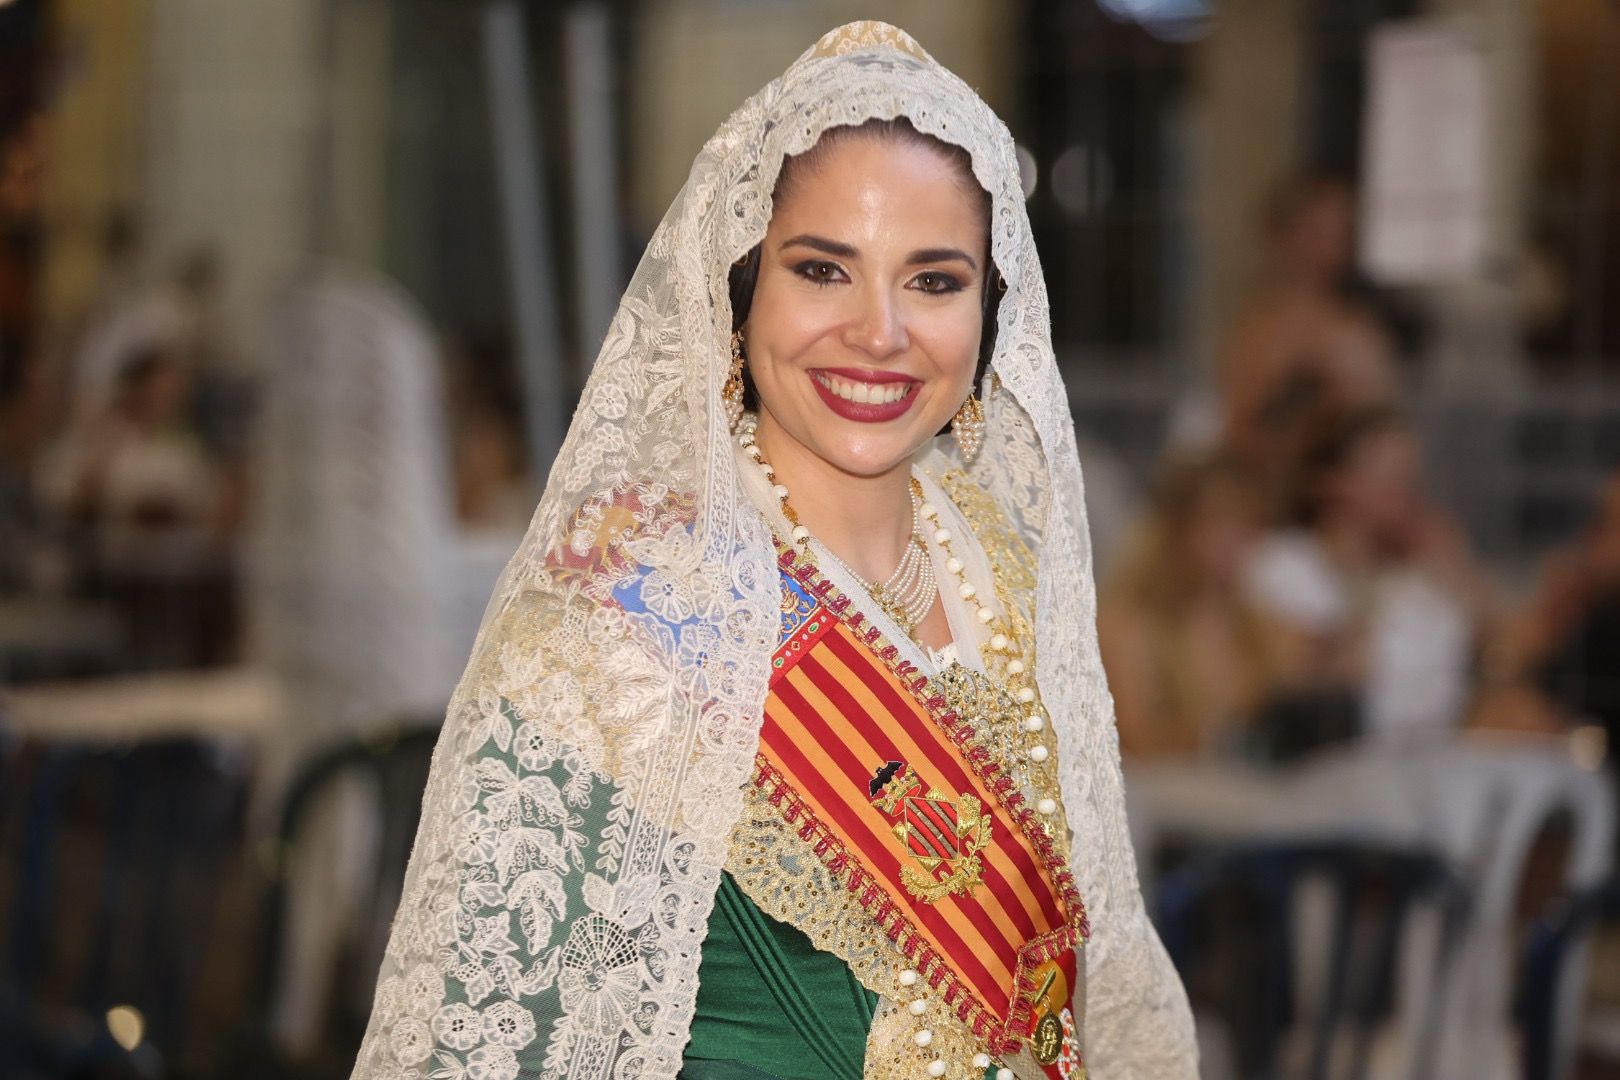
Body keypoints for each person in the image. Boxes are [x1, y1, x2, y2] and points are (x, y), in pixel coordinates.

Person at [349, 23, 1196, 1080]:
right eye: (823, 270)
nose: (880, 331)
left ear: (991, 314)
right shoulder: (615, 628)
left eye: (934, 281)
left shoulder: (1009, 584)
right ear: (740, 290)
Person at [1100, 454, 1300, 761]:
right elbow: (1139, 741)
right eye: (1222, 522)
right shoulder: (1125, 625)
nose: (1238, 541)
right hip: (1162, 792)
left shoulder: (1258, 623)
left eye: (1249, 524)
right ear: (1178, 529)